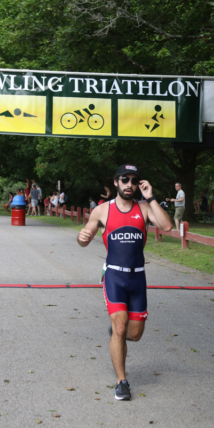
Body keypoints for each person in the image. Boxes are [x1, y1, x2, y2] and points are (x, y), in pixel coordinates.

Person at [77, 164, 172, 401]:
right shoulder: (102, 210)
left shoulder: (144, 207)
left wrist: (151, 197)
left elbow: (167, 226)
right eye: (124, 180)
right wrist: (82, 237)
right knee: (120, 327)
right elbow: (84, 238)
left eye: (134, 181)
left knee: (135, 334)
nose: (129, 184)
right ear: (116, 182)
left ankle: (115, 334)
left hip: (137, 277)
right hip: (114, 276)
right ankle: (122, 381)